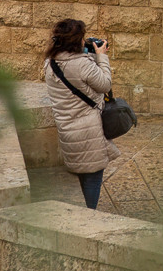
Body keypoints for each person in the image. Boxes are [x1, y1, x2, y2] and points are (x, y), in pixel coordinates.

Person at [43, 18, 120, 210]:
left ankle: (83, 212)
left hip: (67, 130)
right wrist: (101, 56)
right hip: (88, 131)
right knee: (93, 176)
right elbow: (104, 84)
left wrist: (89, 56)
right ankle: (88, 215)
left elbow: (75, 76)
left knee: (81, 175)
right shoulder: (82, 65)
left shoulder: (50, 63)